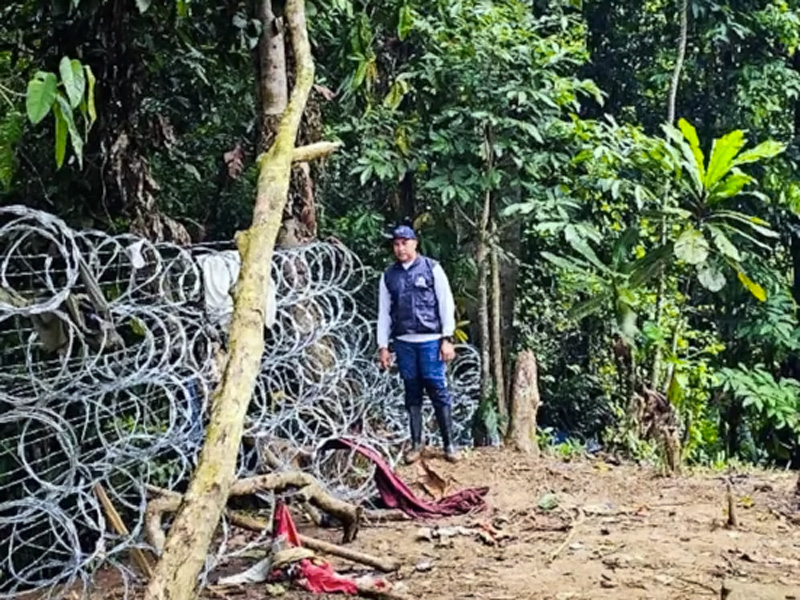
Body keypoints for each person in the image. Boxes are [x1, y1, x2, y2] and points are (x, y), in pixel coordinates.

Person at [377, 225, 459, 463]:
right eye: (396, 244)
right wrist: (383, 345)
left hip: (431, 340)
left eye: (404, 243)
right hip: (404, 342)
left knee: (436, 388)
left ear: (415, 243)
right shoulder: (389, 276)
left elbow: (446, 303)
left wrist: (447, 338)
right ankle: (416, 444)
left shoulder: (432, 269)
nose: (400, 248)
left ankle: (449, 444)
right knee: (411, 391)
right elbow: (384, 313)